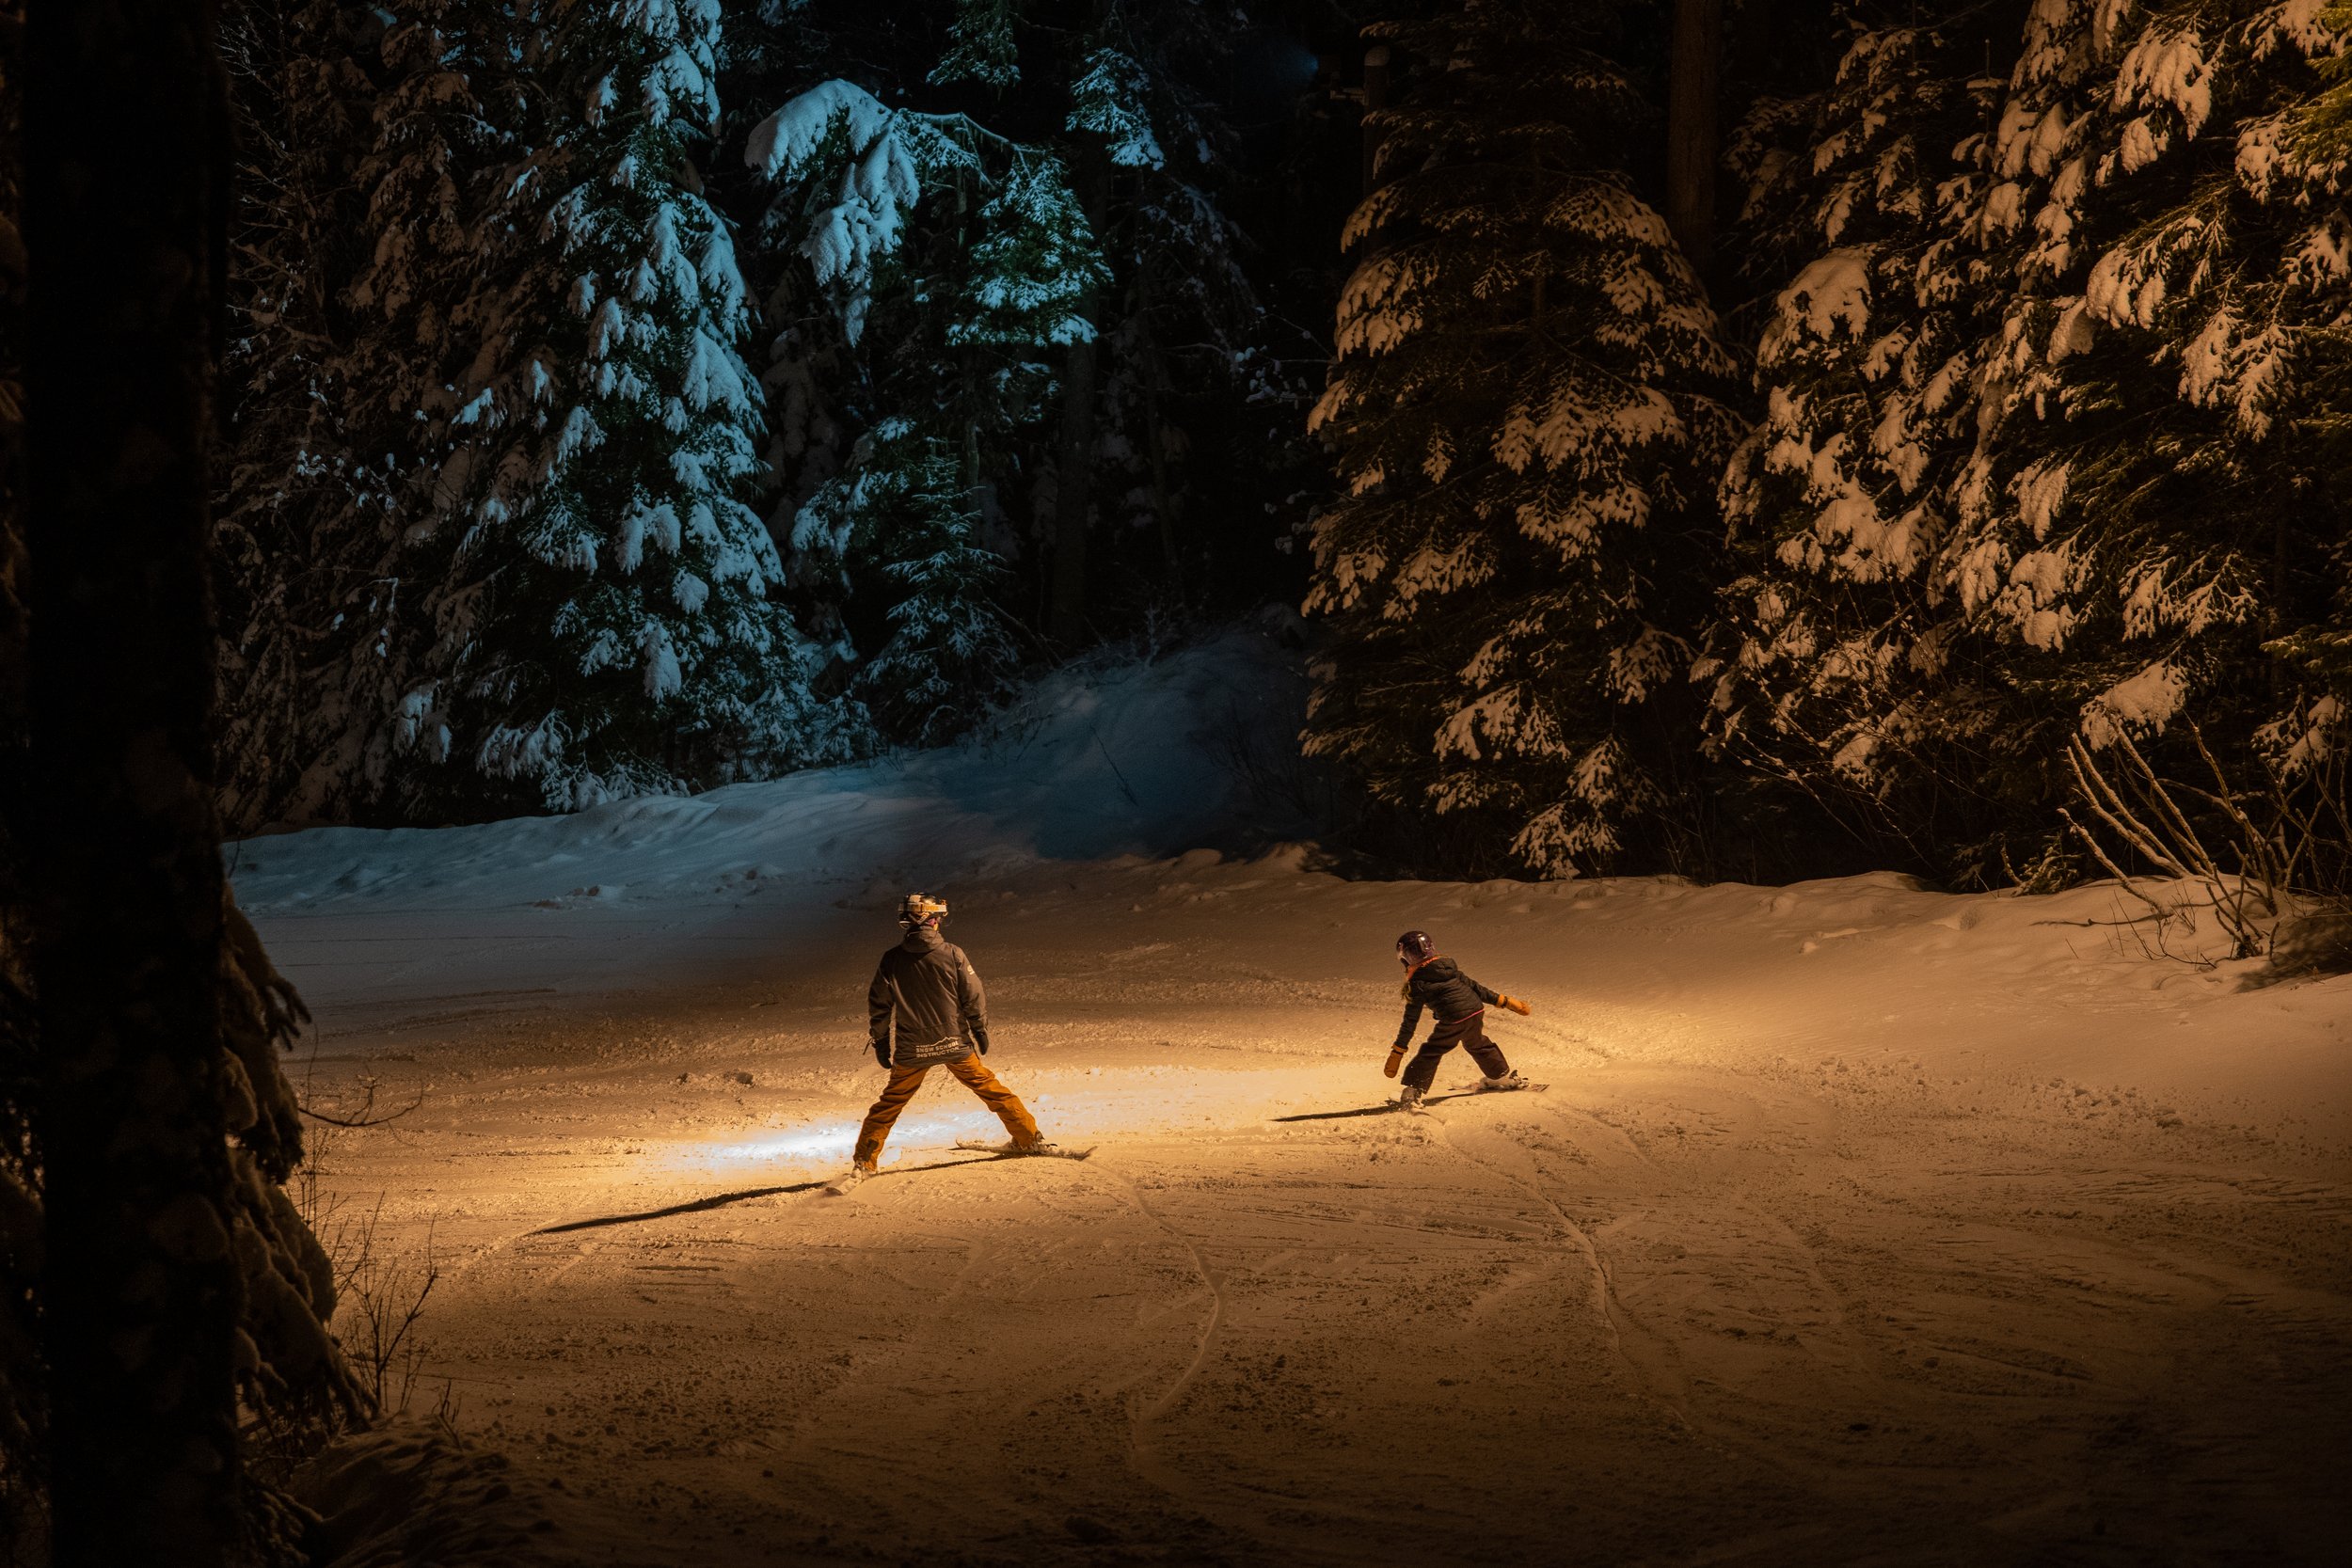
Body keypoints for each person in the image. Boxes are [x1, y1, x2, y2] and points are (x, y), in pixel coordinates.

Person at [830, 893, 1057, 1192]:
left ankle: (865, 1162)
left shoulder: (892, 960)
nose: (939, 922)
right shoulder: (953, 954)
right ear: (931, 920)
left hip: (913, 1049)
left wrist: (881, 1041)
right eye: (937, 917)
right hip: (954, 1043)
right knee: (992, 1091)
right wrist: (979, 1029)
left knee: (889, 1105)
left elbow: (879, 1005)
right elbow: (973, 995)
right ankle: (1029, 1139)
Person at [1385, 929, 1532, 1111]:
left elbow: (1410, 1020)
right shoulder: (1448, 968)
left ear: (1405, 959)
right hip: (1476, 1010)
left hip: (1454, 1018)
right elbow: (1476, 988)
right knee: (1477, 1043)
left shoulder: (1418, 983)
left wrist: (1398, 1050)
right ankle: (1500, 1076)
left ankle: (1412, 1093)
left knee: (1431, 1051)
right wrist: (1505, 1001)